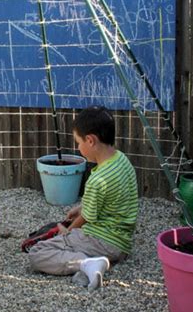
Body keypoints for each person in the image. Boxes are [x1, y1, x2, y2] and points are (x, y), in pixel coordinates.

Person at [28, 106, 138, 294]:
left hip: (100, 239)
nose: (78, 148)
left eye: (78, 142)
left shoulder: (98, 179)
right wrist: (82, 206)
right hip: (122, 243)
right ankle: (91, 267)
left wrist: (67, 231)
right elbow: (112, 200)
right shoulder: (122, 160)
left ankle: (86, 263)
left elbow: (86, 218)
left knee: (37, 254)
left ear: (90, 140)